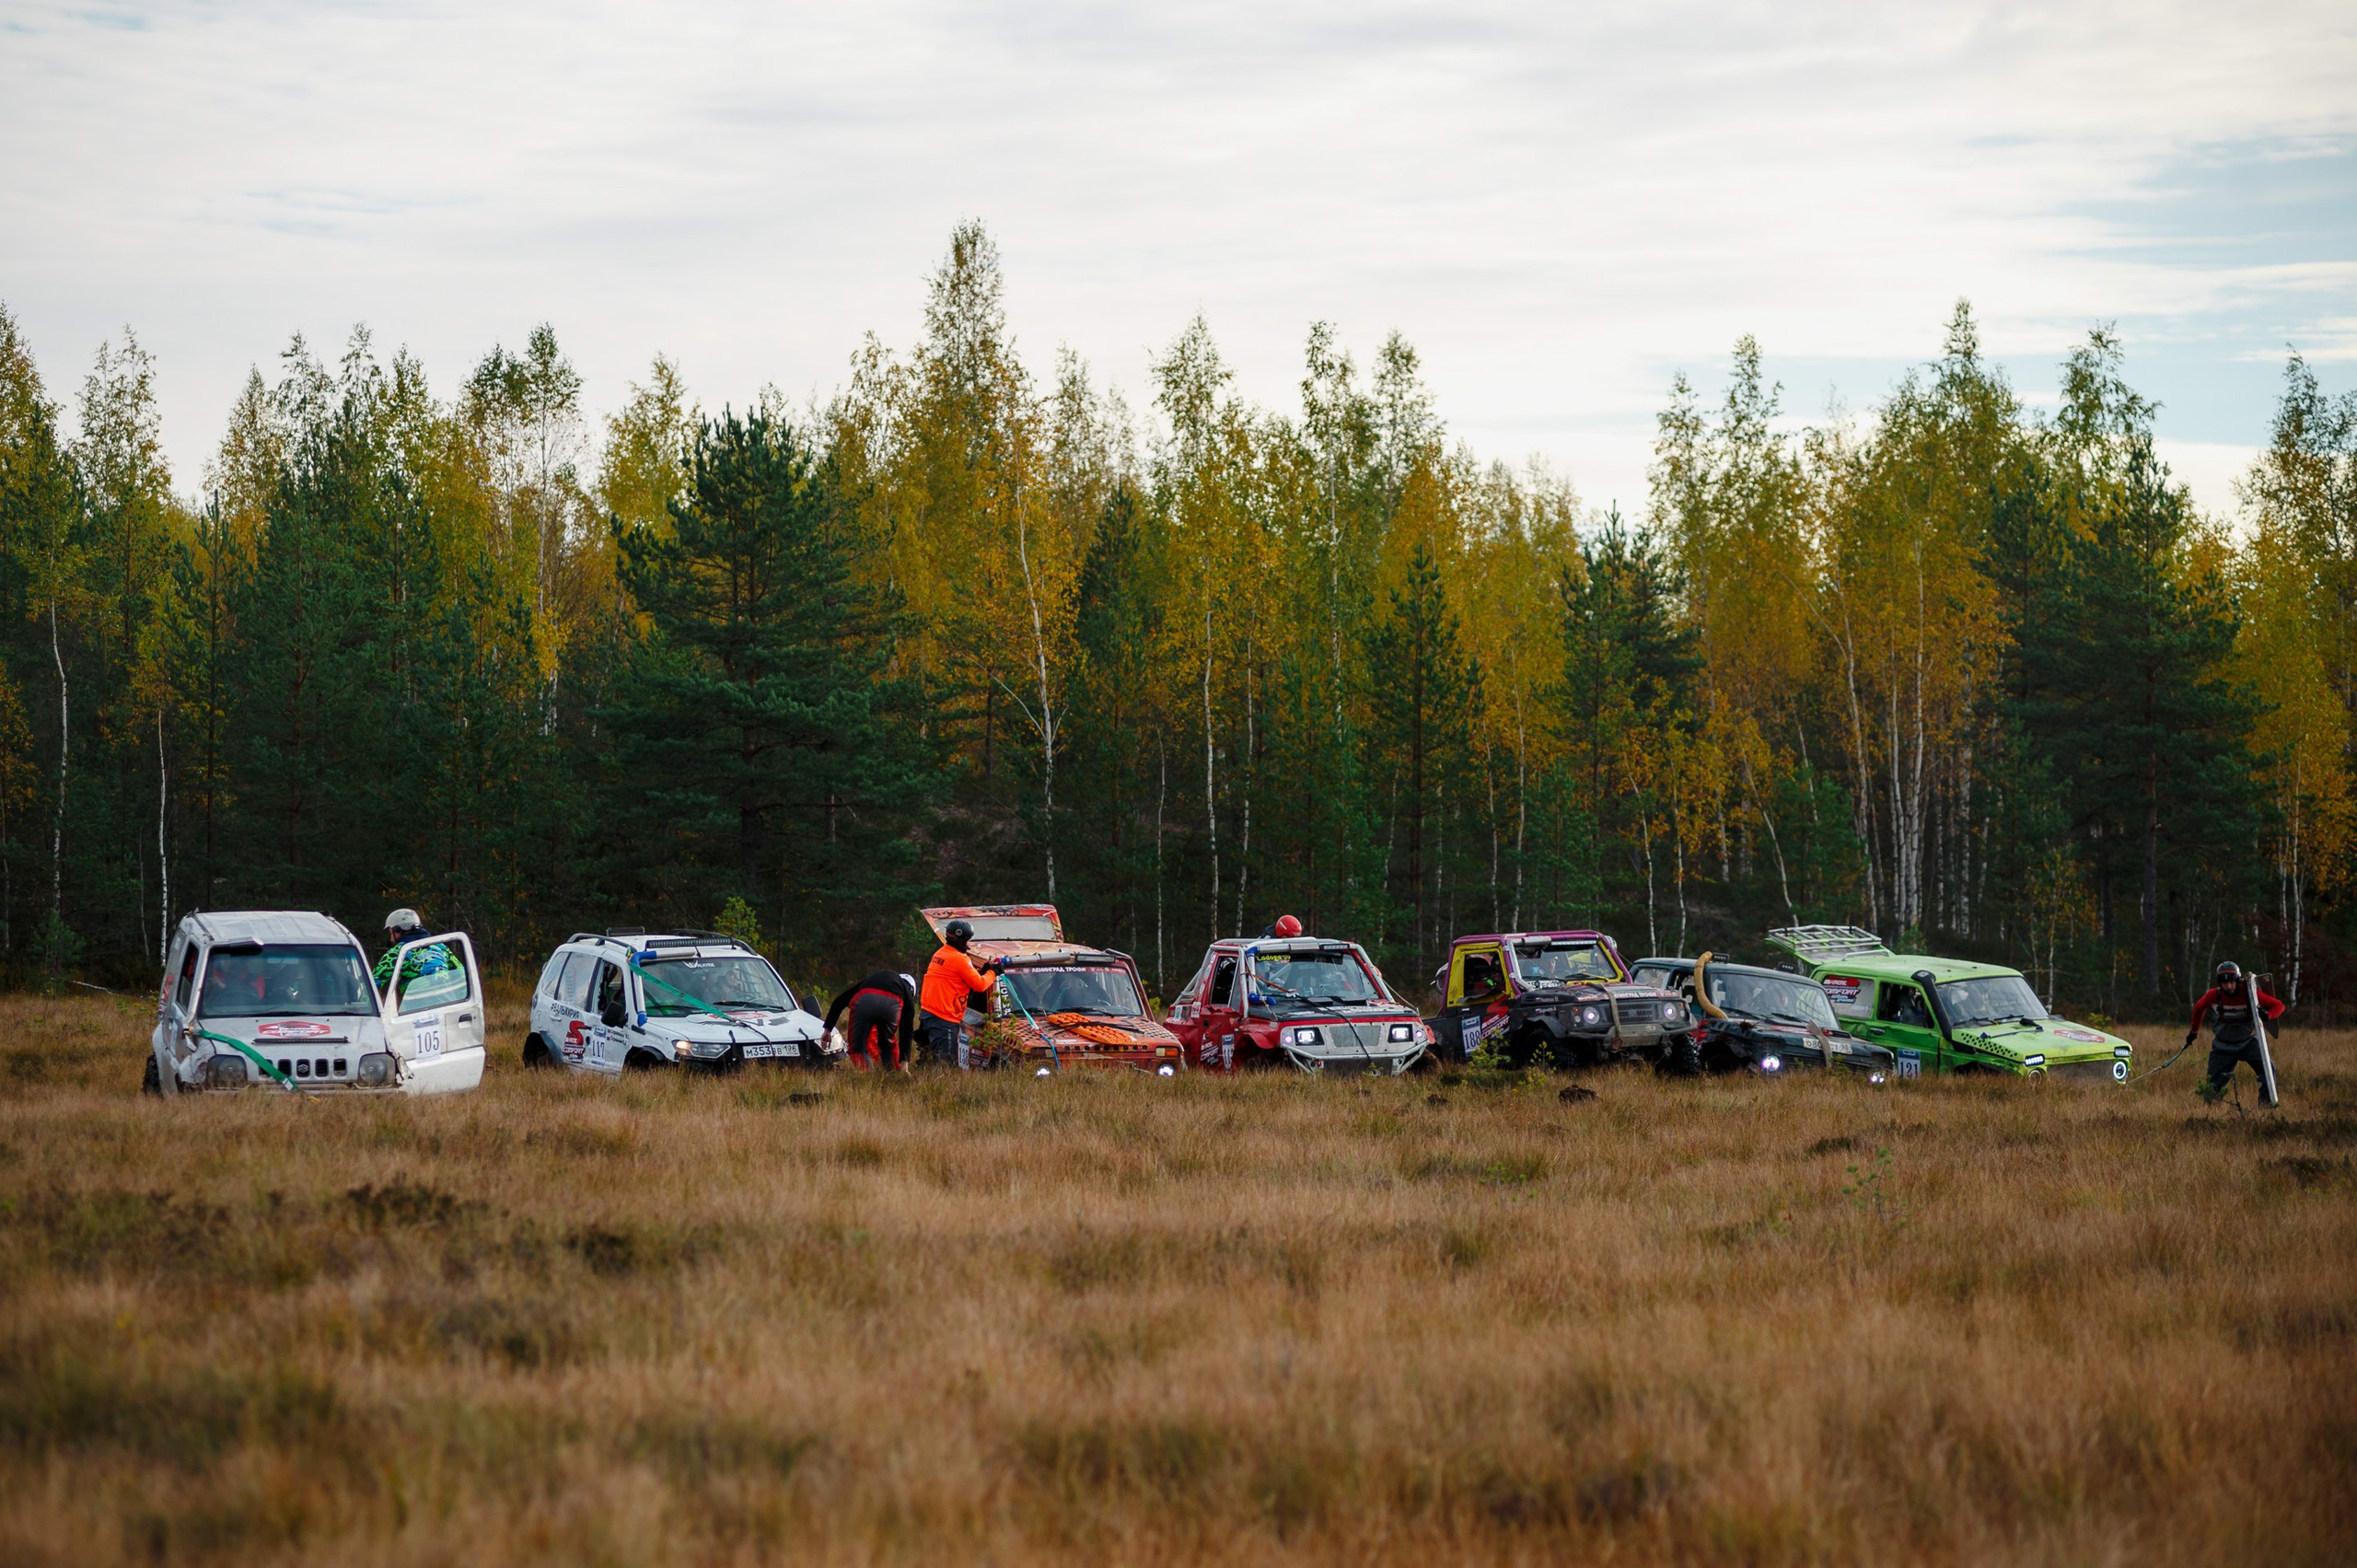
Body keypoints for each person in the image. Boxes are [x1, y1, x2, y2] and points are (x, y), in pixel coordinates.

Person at [2186, 959, 2285, 1097]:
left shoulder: (2250, 992)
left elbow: (2279, 1006)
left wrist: (2268, 1015)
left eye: (2232, 982)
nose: (2229, 986)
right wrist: (2194, 1032)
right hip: (2222, 1046)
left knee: (2269, 1071)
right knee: (2212, 1087)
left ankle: (2266, 1108)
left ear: (2238, 980)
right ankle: (2211, 1115)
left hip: (2247, 1043)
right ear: (2219, 983)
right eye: (2225, 983)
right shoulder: (2214, 995)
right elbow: (2198, 1007)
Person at [919, 919, 1004, 1069]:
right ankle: (940, 1091)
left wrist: (982, 972)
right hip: (943, 1018)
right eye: (966, 941)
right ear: (959, 940)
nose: (968, 944)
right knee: (946, 1064)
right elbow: (979, 985)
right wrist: (993, 972)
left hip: (929, 1014)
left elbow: (958, 978)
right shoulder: (959, 959)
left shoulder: (941, 953)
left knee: (929, 1060)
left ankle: (927, 1085)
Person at [825, 970, 918, 1074]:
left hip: (865, 999)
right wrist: (904, 1062)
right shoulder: (905, 991)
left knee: (857, 1048)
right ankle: (894, 1073)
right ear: (911, 991)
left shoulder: (874, 978)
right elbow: (907, 1030)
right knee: (888, 1043)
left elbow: (839, 1001)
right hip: (891, 1004)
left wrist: (827, 1030)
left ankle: (868, 1074)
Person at [373, 908, 457, 1003]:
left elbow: (373, 984)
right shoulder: (440, 946)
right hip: (449, 1003)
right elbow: (461, 973)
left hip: (417, 1009)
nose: (391, 938)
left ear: (397, 931)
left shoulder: (398, 952)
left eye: (390, 932)